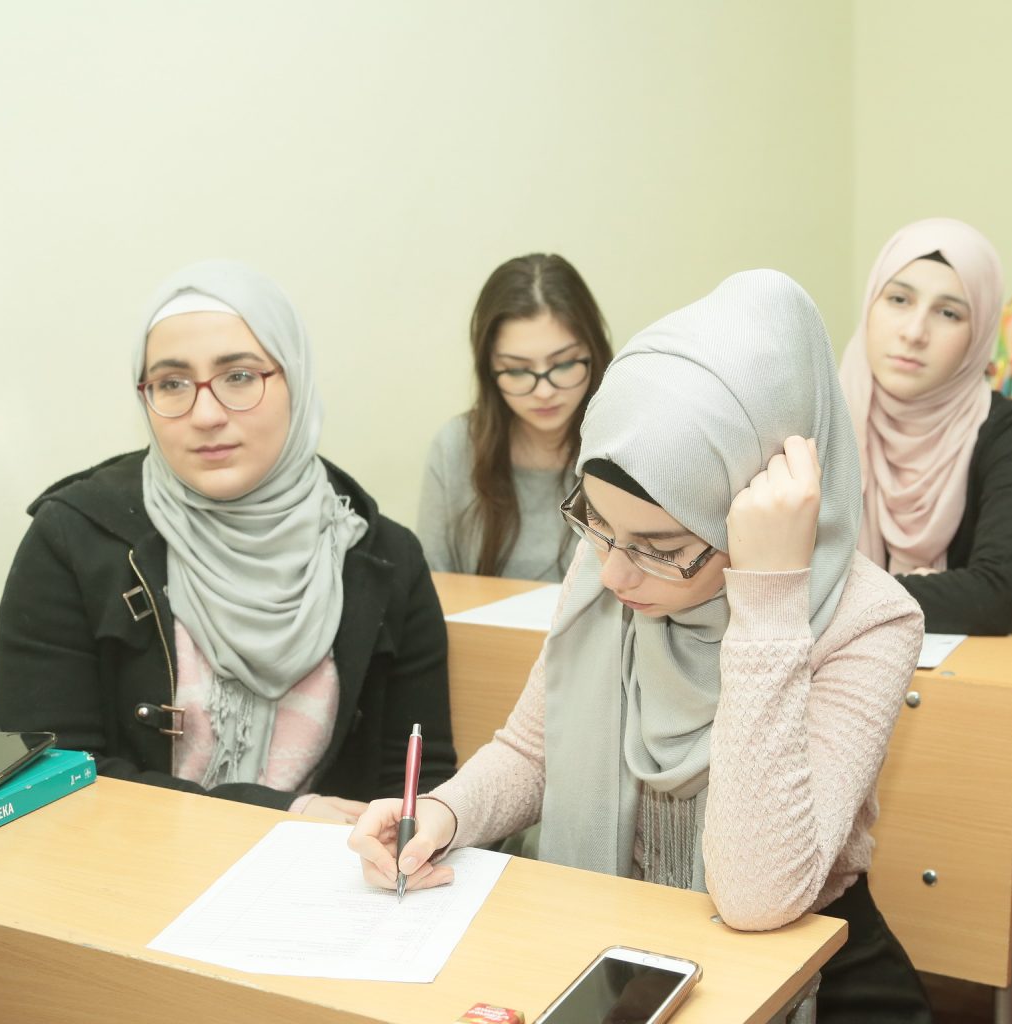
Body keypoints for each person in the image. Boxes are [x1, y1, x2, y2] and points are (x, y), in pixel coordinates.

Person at [352, 270, 933, 1022]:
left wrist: (767, 597)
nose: (615, 573)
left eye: (663, 548)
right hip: (620, 939)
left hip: (805, 962)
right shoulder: (614, 555)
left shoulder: (870, 620)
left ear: (757, 504)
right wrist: (443, 813)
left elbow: (758, 895)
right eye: (595, 524)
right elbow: (533, 751)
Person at [0, 260, 455, 819]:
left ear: (296, 380)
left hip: (326, 869)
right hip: (118, 865)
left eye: (239, 376)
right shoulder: (75, 539)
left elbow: (418, 782)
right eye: (171, 384)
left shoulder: (382, 559)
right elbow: (47, 775)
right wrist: (280, 815)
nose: (206, 414)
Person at [840, 217, 1012, 946]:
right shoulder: (823, 414)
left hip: (981, 708)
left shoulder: (1006, 427)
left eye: (949, 313)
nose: (914, 331)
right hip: (841, 691)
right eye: (898, 300)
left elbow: (997, 593)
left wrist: (838, 592)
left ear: (978, 336)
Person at [418, 254, 613, 580]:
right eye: (517, 370)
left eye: (565, 364)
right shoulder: (456, 446)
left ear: (594, 353)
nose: (544, 391)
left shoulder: (627, 446)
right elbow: (433, 585)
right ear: (489, 370)